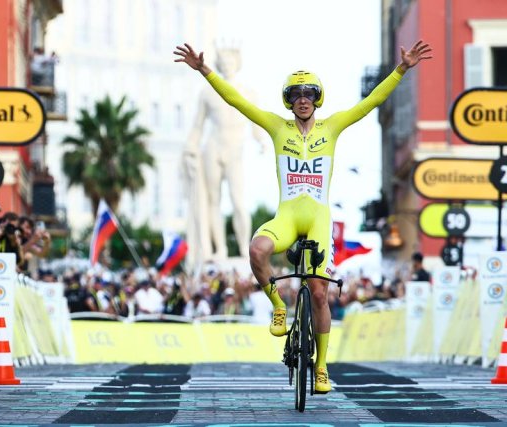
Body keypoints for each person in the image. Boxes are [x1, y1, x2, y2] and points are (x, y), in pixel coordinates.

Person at [174, 39, 432, 394]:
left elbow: (371, 102)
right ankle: (279, 306)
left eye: (309, 93)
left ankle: (322, 366)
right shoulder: (278, 128)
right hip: (287, 216)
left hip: (318, 217)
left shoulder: (333, 127)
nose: (303, 99)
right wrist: (205, 70)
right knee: (256, 249)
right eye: (296, 94)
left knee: (320, 293)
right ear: (289, 101)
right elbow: (237, 101)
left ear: (317, 98)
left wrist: (401, 69)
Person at [184, 46, 266, 262]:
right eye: (223, 61)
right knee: (213, 200)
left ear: (237, 63)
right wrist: (191, 146)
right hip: (213, 147)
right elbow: (197, 126)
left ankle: (243, 248)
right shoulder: (207, 92)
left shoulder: (249, 92)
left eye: (230, 61)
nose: (227, 65)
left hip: (235, 150)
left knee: (239, 201)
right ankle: (219, 248)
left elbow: (257, 123)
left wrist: (262, 141)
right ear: (218, 63)